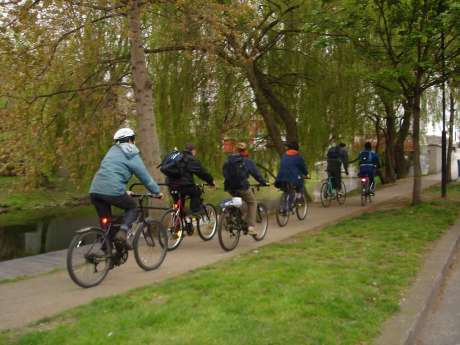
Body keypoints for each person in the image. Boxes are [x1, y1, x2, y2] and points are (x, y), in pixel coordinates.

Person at [89, 128, 163, 244]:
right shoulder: (132, 153)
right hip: (112, 191)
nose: (134, 142)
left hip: (95, 190)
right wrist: (156, 191)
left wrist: (124, 191)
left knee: (106, 223)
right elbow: (145, 178)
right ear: (130, 140)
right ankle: (123, 231)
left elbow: (109, 174)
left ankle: (107, 251)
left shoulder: (111, 152)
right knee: (132, 208)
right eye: (133, 139)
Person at [223, 142, 268, 235]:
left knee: (239, 201)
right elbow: (256, 174)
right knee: (252, 202)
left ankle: (233, 217)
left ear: (236, 150)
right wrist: (263, 182)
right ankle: (251, 227)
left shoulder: (229, 161)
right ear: (245, 150)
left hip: (229, 187)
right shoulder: (247, 161)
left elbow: (224, 173)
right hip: (242, 187)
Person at [166, 143, 215, 216]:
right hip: (184, 186)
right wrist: (211, 181)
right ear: (193, 151)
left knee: (178, 204)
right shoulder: (189, 158)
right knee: (196, 193)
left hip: (171, 185)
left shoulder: (177, 157)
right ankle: (194, 212)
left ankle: (178, 221)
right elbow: (201, 172)